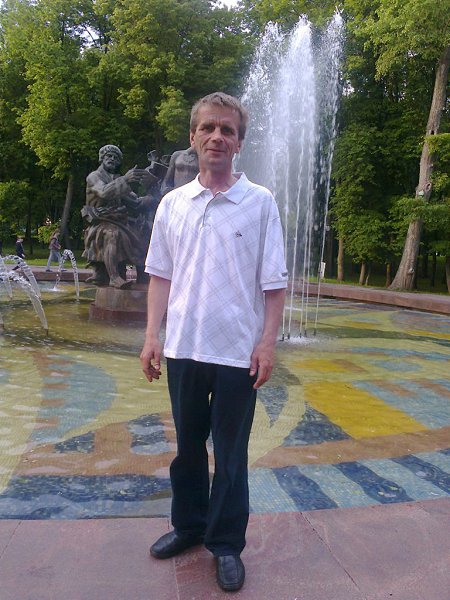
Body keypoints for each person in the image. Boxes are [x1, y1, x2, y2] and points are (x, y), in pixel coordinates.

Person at [140, 92, 288, 592]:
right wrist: (151, 336)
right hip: (183, 347)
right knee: (187, 450)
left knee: (230, 455)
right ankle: (189, 527)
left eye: (227, 130)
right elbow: (160, 275)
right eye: (208, 128)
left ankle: (225, 545)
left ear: (239, 142)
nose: (217, 137)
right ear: (193, 137)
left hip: (237, 353)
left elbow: (274, 283)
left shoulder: (260, 202)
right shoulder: (173, 204)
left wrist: (267, 344)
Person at [81, 145, 157, 289]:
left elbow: (135, 201)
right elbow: (104, 192)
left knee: (141, 234)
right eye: (109, 156)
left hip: (118, 221)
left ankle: (136, 276)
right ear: (102, 158)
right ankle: (114, 277)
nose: (112, 159)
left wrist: (153, 194)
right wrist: (125, 179)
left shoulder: (117, 179)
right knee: (113, 234)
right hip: (100, 222)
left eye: (116, 158)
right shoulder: (94, 176)